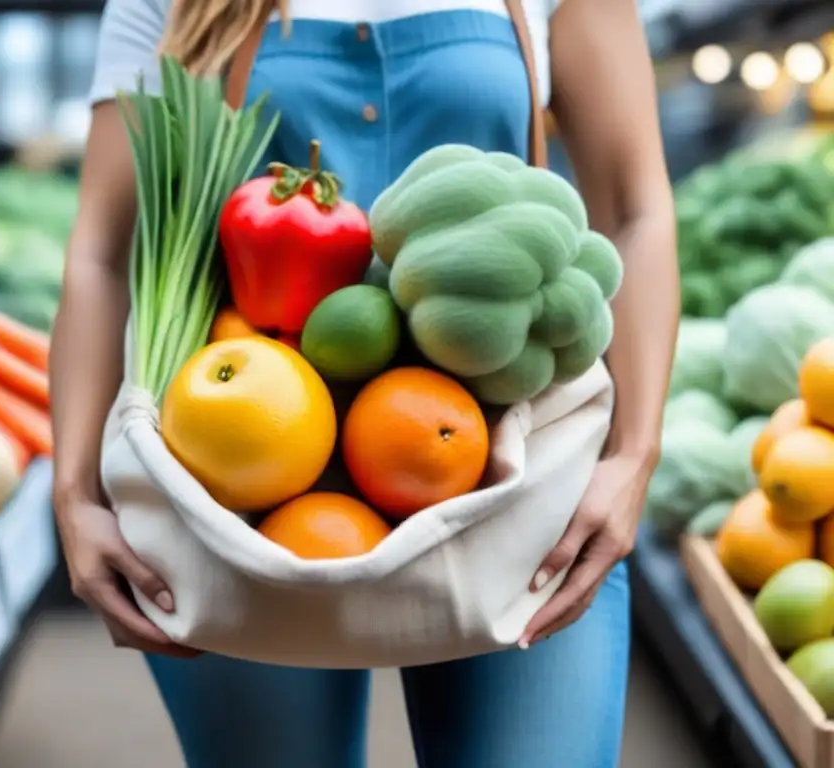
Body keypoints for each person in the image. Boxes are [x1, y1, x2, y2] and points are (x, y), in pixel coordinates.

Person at [49, 0, 678, 765]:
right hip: (235, 495)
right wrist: (75, 496)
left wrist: (632, 458)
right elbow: (102, 253)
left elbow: (635, 210)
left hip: (520, 480)